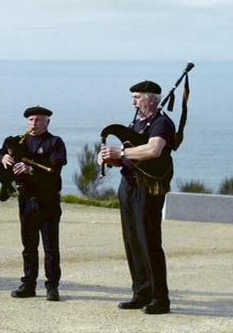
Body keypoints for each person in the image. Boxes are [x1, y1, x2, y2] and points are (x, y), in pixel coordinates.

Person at [99, 80, 175, 315]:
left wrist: (120, 152)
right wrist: (108, 158)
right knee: (132, 240)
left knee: (148, 240)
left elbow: (154, 150)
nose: (133, 101)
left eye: (137, 96)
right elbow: (130, 153)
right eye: (133, 97)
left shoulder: (162, 123)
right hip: (129, 184)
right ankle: (140, 292)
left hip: (148, 188)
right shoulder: (137, 123)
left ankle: (159, 298)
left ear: (151, 99)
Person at [0, 106, 67, 301]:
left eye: (39, 120)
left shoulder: (55, 142)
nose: (34, 124)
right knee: (29, 245)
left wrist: (30, 170)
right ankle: (28, 284)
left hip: (48, 200)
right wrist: (3, 157)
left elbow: (55, 169)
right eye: (31, 120)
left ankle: (52, 287)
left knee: (50, 247)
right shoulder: (18, 141)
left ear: (47, 122)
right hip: (26, 200)